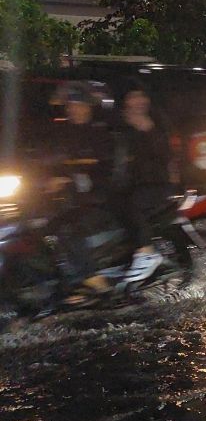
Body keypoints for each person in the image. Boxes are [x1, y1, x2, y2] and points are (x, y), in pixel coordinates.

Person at [46, 83, 117, 304]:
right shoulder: (63, 131)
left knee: (68, 227)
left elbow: (101, 163)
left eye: (78, 105)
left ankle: (89, 277)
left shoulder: (99, 131)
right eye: (70, 105)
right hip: (71, 194)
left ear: (88, 107)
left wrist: (71, 175)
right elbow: (51, 157)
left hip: (98, 194)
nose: (73, 109)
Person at [111, 87, 176, 282]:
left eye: (142, 95)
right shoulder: (119, 123)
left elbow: (167, 156)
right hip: (128, 182)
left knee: (133, 203)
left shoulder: (157, 122)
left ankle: (146, 252)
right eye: (133, 96)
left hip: (157, 183)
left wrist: (148, 130)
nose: (139, 101)